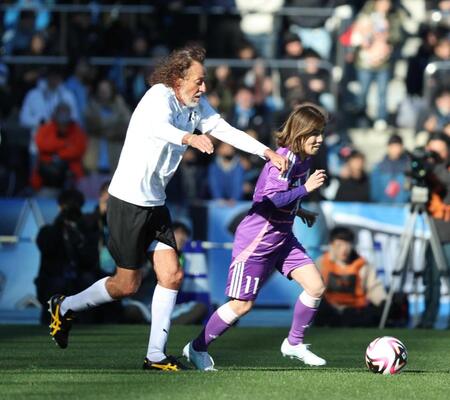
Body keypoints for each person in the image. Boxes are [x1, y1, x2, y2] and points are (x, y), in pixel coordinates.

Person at [47, 44, 288, 371]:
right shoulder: (157, 97)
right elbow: (157, 129)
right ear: (178, 78)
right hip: (128, 201)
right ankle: (65, 306)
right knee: (126, 285)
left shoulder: (195, 106)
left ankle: (155, 356)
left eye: (204, 82)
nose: (204, 88)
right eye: (198, 81)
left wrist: (267, 153)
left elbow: (224, 129)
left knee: (172, 275)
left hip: (155, 204)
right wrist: (190, 139)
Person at [183, 103, 328, 371]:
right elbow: (271, 200)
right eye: (314, 133)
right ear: (300, 132)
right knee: (241, 306)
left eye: (321, 133)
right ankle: (197, 347)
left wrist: (300, 210)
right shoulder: (283, 159)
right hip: (257, 241)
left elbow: (283, 197)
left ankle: (293, 343)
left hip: (282, 237)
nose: (320, 139)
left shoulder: (304, 160)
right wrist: (305, 190)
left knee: (316, 286)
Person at [315, 226, 387, 327]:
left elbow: (374, 287)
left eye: (347, 245)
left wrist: (383, 301)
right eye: (339, 245)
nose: (344, 249)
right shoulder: (321, 262)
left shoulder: (363, 265)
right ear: (331, 245)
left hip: (355, 311)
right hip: (329, 310)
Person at [417, 133, 450, 329]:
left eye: (439, 150)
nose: (435, 154)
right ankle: (428, 319)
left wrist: (433, 165)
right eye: (433, 149)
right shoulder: (428, 169)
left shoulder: (441, 169)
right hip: (432, 231)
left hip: (447, 231)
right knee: (432, 279)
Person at [31, 102, 88, 195]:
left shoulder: (76, 129)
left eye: (66, 113)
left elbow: (78, 150)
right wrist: (64, 144)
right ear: (56, 114)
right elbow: (41, 144)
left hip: (71, 176)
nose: (63, 116)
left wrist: (58, 154)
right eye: (61, 113)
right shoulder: (46, 128)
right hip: (46, 176)